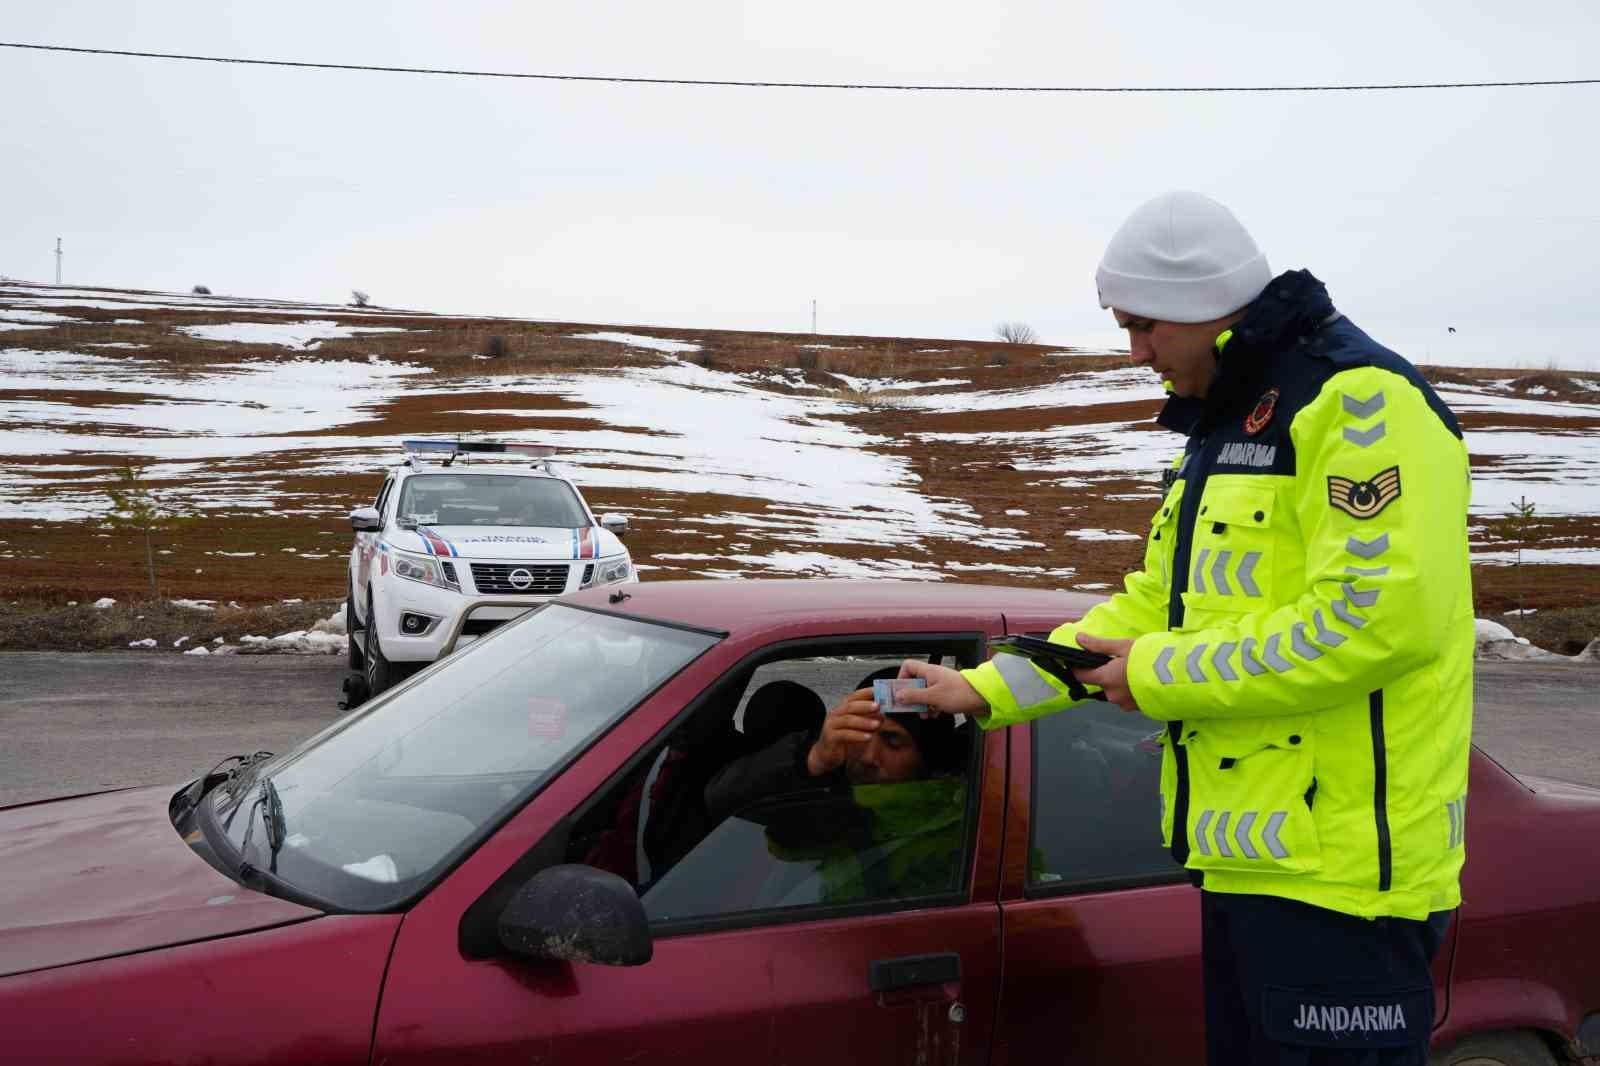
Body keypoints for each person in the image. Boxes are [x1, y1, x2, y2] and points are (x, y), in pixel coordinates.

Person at [895, 191, 1473, 1066]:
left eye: (1143, 326)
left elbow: (1375, 625)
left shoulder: (1360, 406)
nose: (1134, 353)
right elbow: (1151, 610)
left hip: (1348, 886)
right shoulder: (1228, 421)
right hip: (1248, 865)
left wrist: (1162, 675)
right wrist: (981, 689)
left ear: (1204, 307)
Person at [703, 670, 971, 904]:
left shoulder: (960, 824)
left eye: (892, 741)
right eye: (859, 733)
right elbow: (722, 802)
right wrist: (810, 759)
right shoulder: (827, 798)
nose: (868, 756)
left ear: (927, 756)